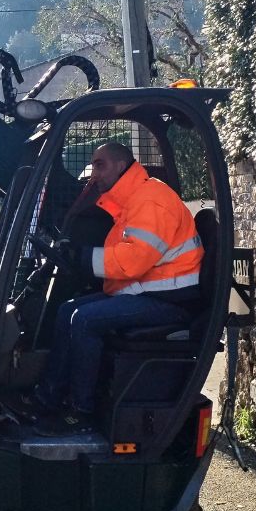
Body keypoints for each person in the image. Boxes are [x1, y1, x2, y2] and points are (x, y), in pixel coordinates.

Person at [26, 141, 205, 436]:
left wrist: (83, 257)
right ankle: (47, 397)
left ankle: (80, 411)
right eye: (93, 164)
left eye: (100, 164)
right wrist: (77, 254)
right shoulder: (132, 201)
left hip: (170, 301)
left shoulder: (151, 200)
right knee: (67, 309)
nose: (93, 172)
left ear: (121, 166)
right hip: (148, 290)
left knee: (84, 320)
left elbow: (132, 260)